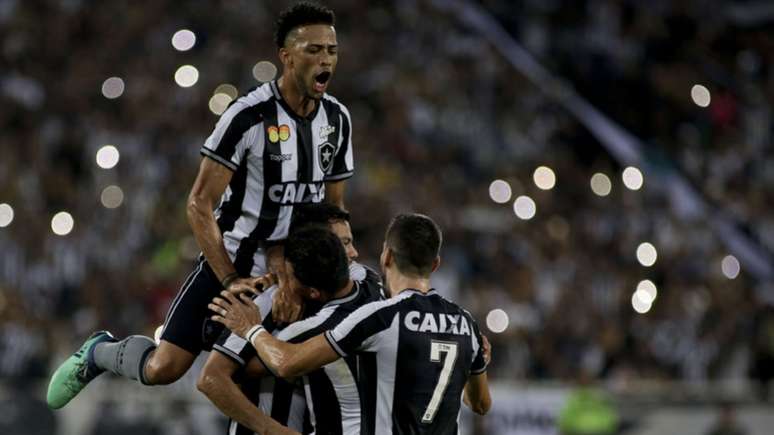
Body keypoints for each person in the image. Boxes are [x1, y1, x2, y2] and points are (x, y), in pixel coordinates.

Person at [46, 1, 354, 409]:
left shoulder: (337, 119)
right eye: (313, 49)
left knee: (290, 365)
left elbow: (333, 212)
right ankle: (100, 351)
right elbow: (199, 203)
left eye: (331, 50)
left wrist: (307, 268)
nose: (325, 59)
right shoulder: (246, 116)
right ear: (286, 56)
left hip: (296, 267)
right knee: (165, 368)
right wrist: (229, 279)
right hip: (235, 259)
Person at [211, 213, 492, 434]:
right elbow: (480, 404)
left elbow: (286, 362)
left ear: (387, 257)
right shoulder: (466, 323)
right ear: (435, 264)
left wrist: (251, 328)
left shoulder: (379, 316)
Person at [198, 203, 365, 434]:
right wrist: (271, 430)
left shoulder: (362, 282)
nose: (354, 253)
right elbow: (211, 378)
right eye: (344, 243)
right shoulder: (266, 300)